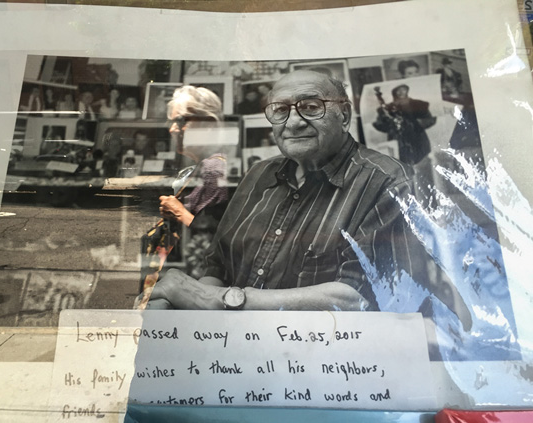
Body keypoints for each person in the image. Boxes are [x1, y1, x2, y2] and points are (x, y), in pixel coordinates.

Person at [147, 70, 415, 311]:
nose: (293, 122)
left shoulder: (387, 181)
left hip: (321, 358)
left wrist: (220, 299)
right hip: (228, 349)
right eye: (280, 110)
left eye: (311, 107)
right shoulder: (258, 175)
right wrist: (178, 308)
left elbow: (360, 296)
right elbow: (219, 266)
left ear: (343, 115)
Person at [157, 85, 229, 278]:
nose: (173, 128)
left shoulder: (214, 170)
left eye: (181, 120)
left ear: (209, 124)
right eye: (172, 121)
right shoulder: (203, 165)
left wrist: (179, 212)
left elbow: (219, 239)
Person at [372, 84, 436, 165]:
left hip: (417, 138)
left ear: (407, 91)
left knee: (422, 163)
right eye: (398, 90)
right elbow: (380, 124)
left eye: (403, 89)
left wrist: (415, 124)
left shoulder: (419, 104)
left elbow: (429, 119)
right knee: (401, 164)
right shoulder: (387, 108)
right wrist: (392, 124)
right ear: (394, 93)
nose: (401, 92)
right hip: (398, 140)